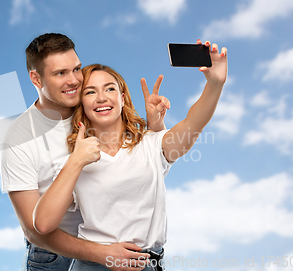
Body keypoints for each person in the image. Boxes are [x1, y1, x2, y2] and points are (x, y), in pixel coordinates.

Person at [33, 40, 228, 270]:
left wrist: (215, 84)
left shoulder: (152, 144)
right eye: (90, 92)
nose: (101, 97)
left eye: (110, 88)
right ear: (81, 103)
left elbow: (192, 124)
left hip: (147, 264)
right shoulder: (76, 158)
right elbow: (43, 224)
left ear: (123, 98)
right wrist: (76, 161)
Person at [0, 33, 170, 271]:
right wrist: (101, 253)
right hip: (53, 256)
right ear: (36, 79)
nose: (74, 81)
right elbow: (33, 229)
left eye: (76, 69)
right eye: (60, 73)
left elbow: (141, 174)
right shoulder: (18, 139)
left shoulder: (97, 106)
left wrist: (156, 127)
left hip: (117, 248)